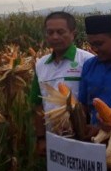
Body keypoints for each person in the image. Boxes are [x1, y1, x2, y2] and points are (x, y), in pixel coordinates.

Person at [29, 11, 94, 156]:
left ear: (73, 34)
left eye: (60, 32)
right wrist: (41, 138)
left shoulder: (87, 61)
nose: (55, 37)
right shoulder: (41, 64)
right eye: (50, 32)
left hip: (83, 139)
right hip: (53, 139)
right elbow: (37, 104)